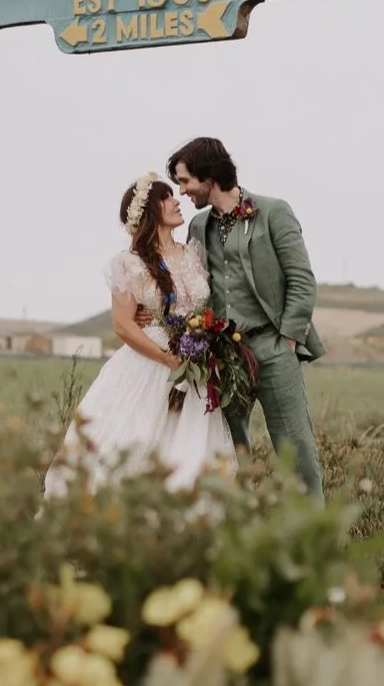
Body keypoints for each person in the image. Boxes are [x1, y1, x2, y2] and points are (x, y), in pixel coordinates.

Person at [43, 173, 235, 497]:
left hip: (195, 364)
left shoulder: (192, 255)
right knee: (134, 444)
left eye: (176, 195)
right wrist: (166, 358)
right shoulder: (129, 264)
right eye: (167, 197)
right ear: (149, 211)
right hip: (149, 364)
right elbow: (123, 324)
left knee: (191, 447)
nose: (176, 201)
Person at [165, 137, 324, 504]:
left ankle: (313, 535)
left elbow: (302, 279)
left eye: (186, 181)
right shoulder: (198, 226)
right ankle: (241, 528)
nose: (183, 191)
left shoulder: (273, 212)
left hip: (273, 345)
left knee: (296, 450)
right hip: (223, 356)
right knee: (228, 452)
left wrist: (287, 338)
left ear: (208, 176)